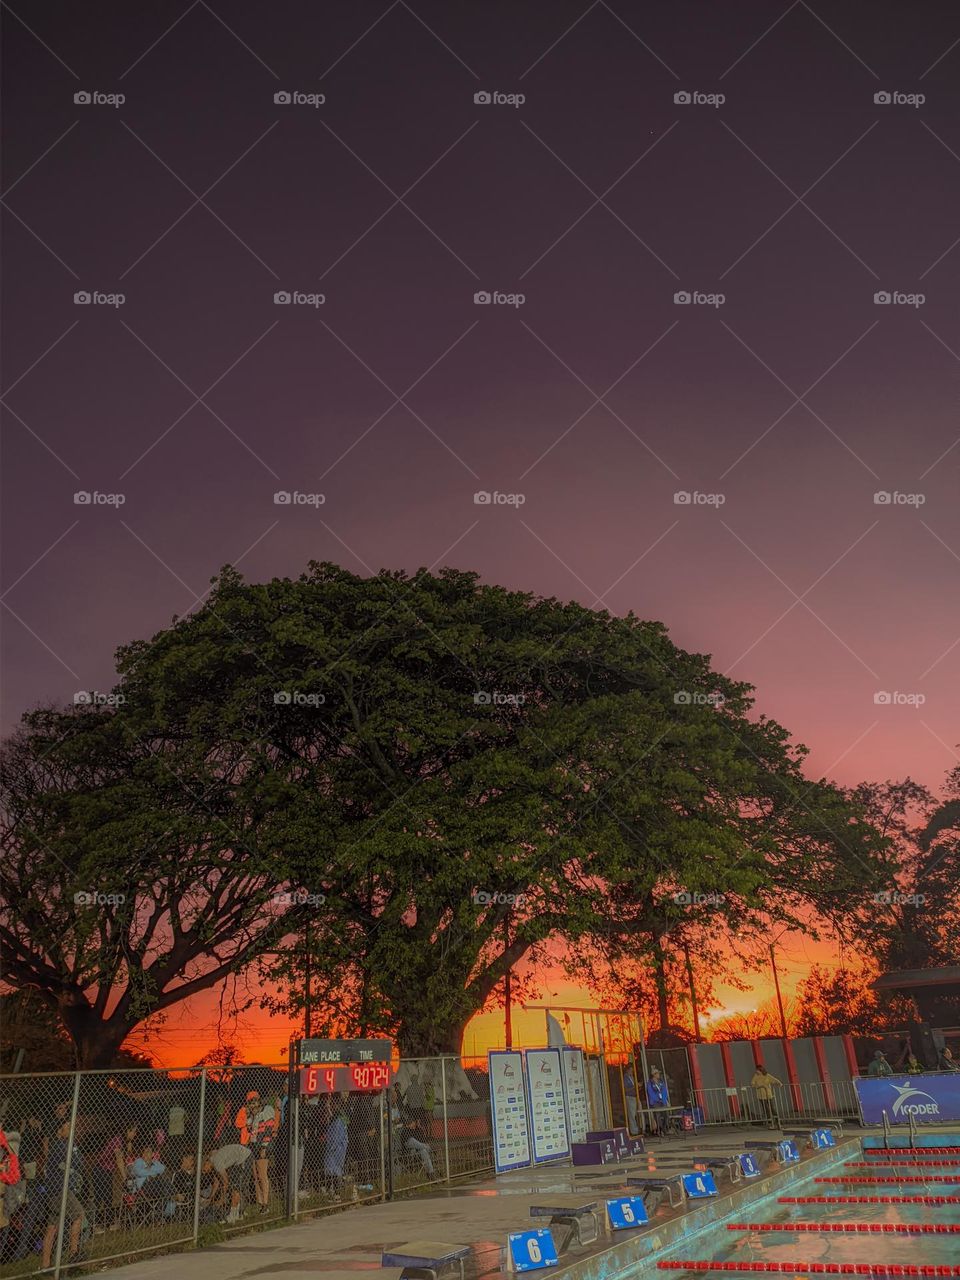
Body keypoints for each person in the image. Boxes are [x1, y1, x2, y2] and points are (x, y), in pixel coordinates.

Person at [41, 1116, 85, 1270]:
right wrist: (73, 1150)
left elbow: (79, 1162)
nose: (71, 1130)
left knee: (52, 1227)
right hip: (60, 1191)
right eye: (67, 1127)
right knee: (79, 1214)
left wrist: (73, 1150)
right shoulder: (60, 1146)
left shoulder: (64, 1145)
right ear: (60, 1130)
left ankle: (45, 1265)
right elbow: (75, 1162)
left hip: (54, 1192)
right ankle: (74, 1253)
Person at [236, 1090, 276, 1214]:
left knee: (262, 1175)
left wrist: (264, 1147)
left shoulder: (267, 1110)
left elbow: (269, 1129)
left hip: (262, 1147)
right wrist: (249, 1116)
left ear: (258, 1101)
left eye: (254, 1103)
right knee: (256, 1177)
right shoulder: (252, 1115)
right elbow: (247, 1128)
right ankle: (260, 1203)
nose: (252, 1106)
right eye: (250, 1104)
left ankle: (265, 1203)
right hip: (253, 1146)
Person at [391, 1084, 436, 1178]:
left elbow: (421, 1138)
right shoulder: (405, 1130)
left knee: (423, 1150)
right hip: (408, 1148)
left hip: (416, 1149)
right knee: (414, 1141)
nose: (414, 1124)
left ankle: (431, 1173)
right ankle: (428, 1148)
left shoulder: (417, 1130)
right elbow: (406, 1141)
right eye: (411, 1123)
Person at [205, 1143, 253, 1224]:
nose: (205, 1172)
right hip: (240, 1159)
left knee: (235, 1189)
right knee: (237, 1187)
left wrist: (222, 1199)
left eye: (204, 1170)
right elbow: (217, 1182)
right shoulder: (214, 1162)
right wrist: (211, 1197)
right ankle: (237, 1214)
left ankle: (232, 1216)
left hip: (244, 1157)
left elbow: (226, 1182)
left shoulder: (216, 1163)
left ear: (206, 1162)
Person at [645, 1067, 670, 1136]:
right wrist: (657, 1099)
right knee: (657, 1116)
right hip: (655, 1102)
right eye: (658, 1073)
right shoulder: (650, 1083)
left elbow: (664, 1091)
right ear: (654, 1074)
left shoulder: (661, 1082)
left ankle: (665, 1128)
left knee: (666, 1115)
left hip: (663, 1101)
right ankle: (660, 1129)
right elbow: (650, 1093)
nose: (659, 1075)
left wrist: (664, 1099)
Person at [623, 1058, 640, 1135]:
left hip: (635, 1096)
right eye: (631, 1070)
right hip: (630, 1097)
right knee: (632, 1114)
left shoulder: (633, 1077)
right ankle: (634, 1131)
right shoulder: (625, 1078)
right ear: (628, 1070)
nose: (632, 1071)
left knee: (639, 1112)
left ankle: (640, 1128)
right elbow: (626, 1089)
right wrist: (635, 1086)